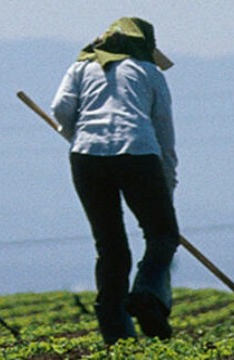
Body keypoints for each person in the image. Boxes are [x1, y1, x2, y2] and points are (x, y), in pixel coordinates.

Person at [51, 17, 179, 344]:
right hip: (137, 155)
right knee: (162, 235)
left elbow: (61, 108)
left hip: (86, 159)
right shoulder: (149, 73)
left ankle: (116, 333)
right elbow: (164, 135)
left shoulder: (80, 68)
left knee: (110, 247)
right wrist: (167, 184)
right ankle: (148, 294)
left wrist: (78, 136)